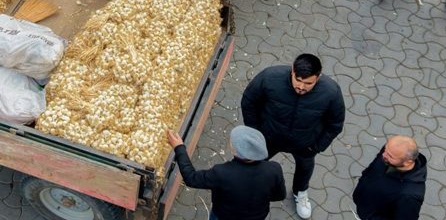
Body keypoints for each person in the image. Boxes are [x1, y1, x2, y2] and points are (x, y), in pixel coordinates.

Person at [241, 54, 346, 220]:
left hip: (305, 144)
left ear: (318, 77)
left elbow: (335, 124)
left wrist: (317, 146)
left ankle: (300, 192)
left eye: (308, 83)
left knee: (304, 168)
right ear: (292, 70)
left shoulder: (331, 92)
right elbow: (249, 101)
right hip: (269, 136)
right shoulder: (269, 77)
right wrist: (255, 133)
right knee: (255, 164)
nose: (301, 87)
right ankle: (251, 189)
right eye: (298, 80)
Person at [167, 126, 286, 220]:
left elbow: (191, 178)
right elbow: (280, 195)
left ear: (235, 150)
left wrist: (179, 148)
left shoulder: (222, 173)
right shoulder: (274, 169)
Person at [351, 137, 427, 220]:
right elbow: (374, 164)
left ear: (407, 162)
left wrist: (369, 218)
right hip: (362, 201)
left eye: (390, 156)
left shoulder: (409, 195)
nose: (384, 154)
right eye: (385, 149)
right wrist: (364, 178)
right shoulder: (389, 151)